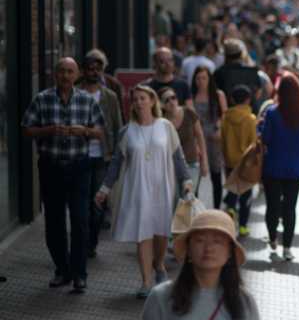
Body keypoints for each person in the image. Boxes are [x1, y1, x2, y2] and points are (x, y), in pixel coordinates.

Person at [135, 209, 276, 320]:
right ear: (188, 249)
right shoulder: (161, 296)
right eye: (200, 240)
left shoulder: (243, 301)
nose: (208, 248)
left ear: (230, 252)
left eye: (218, 241)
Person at [95, 85, 193, 298]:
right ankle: (146, 282)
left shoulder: (165, 127)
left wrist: (186, 180)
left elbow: (178, 157)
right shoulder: (126, 130)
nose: (138, 102)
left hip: (162, 188)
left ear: (152, 101)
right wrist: (104, 189)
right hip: (137, 189)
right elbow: (115, 164)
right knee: (143, 234)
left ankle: (159, 265)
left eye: (143, 98)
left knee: (161, 234)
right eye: (135, 98)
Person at [22, 58, 105, 293]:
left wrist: (85, 131)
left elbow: (100, 132)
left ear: (76, 74)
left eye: (70, 72)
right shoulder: (42, 99)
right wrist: (47, 130)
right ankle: (62, 270)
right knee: (54, 223)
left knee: (80, 221)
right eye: (61, 71)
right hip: (51, 166)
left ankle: (80, 274)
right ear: (55, 75)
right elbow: (26, 128)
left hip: (79, 167)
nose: (65, 76)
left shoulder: (87, 101)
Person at [259, 74, 299, 262]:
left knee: (272, 206)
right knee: (290, 208)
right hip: (295, 169)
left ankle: (273, 238)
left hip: (273, 167)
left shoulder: (272, 113)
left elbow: (266, 139)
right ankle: (287, 248)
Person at [77, 53, 124, 259]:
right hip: (78, 155)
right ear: (83, 70)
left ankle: (91, 242)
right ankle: (83, 242)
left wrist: (119, 154)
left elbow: (117, 125)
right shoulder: (76, 94)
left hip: (103, 157)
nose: (93, 72)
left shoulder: (109, 97)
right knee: (81, 203)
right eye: (90, 68)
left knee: (97, 204)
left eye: (97, 68)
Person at [189, 66, 228, 209]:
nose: (201, 81)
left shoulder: (218, 95)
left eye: (204, 78)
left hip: (213, 138)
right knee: (196, 176)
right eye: (198, 78)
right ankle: (196, 210)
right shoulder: (191, 96)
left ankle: (217, 209)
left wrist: (219, 127)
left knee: (216, 175)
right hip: (196, 139)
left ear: (209, 79)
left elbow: (225, 115)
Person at [160, 87, 208, 200]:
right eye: (167, 100)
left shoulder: (188, 112)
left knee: (188, 199)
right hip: (171, 167)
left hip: (192, 163)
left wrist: (204, 162)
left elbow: (200, 136)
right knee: (175, 201)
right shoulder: (161, 121)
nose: (171, 101)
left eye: (173, 97)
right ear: (161, 104)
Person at [222, 85, 257, 237]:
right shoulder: (250, 119)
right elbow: (254, 142)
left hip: (230, 160)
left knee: (232, 188)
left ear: (232, 99)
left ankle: (230, 207)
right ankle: (243, 226)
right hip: (245, 162)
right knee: (246, 195)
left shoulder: (226, 118)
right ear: (248, 99)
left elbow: (222, 139)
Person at [214, 39, 264, 106]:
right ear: (241, 54)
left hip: (228, 113)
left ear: (225, 55)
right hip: (249, 112)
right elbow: (258, 92)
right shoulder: (252, 71)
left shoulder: (219, 73)